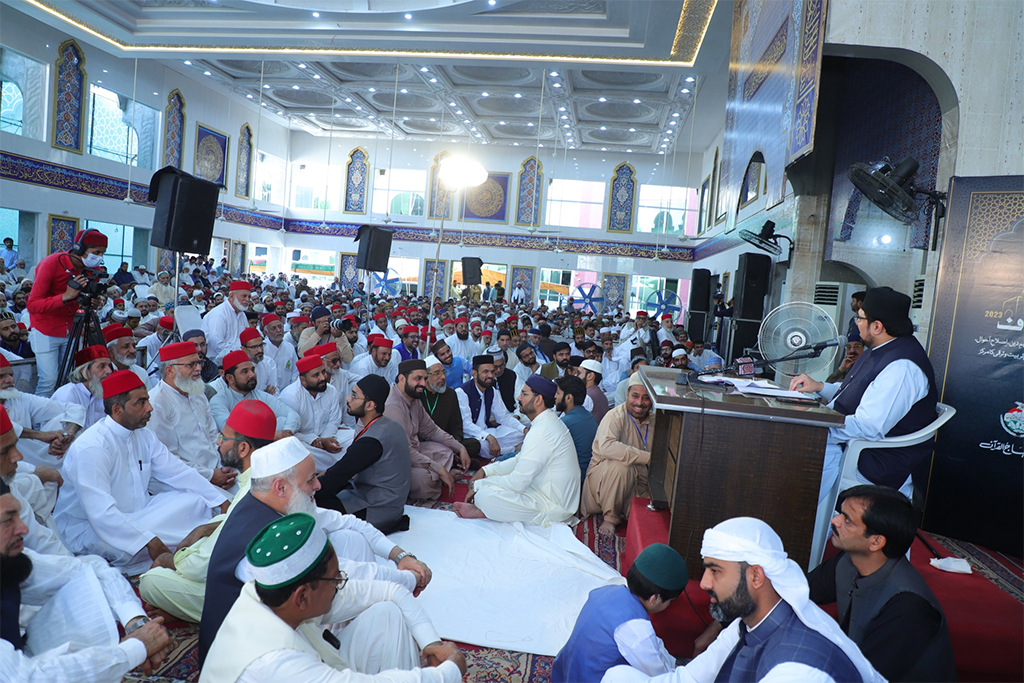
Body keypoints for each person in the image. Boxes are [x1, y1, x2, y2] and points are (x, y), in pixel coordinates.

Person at [200, 436, 429, 660]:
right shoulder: (266, 544)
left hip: (292, 626)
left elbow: (350, 522)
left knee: (352, 539)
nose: (319, 485)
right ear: (281, 487)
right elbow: (340, 579)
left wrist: (400, 556)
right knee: (387, 613)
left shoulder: (274, 503)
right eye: (311, 479)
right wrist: (409, 578)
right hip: (258, 659)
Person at [604, 517, 883, 683]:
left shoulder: (796, 669)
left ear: (756, 576)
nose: (704, 583)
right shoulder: (750, 622)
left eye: (715, 571)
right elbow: (689, 678)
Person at [200, 512, 466, 683]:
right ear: (302, 597)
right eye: (334, 578)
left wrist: (431, 644)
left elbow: (392, 591)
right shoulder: (276, 663)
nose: (341, 583)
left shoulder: (265, 593)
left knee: (386, 613)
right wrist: (449, 670)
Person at [790, 287, 938, 557]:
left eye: (860, 317)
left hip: (875, 458)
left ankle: (800, 549)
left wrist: (817, 427)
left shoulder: (902, 367)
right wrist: (819, 387)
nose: (856, 323)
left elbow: (869, 426)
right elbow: (856, 395)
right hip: (851, 442)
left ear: (877, 325)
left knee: (802, 460)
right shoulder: (880, 348)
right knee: (796, 451)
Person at [53, 370, 231, 575]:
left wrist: (220, 501)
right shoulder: (93, 447)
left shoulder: (144, 435)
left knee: (196, 500)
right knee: (142, 540)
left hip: (142, 513)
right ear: (118, 409)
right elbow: (101, 514)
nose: (150, 408)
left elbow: (178, 472)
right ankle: (180, 548)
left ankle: (182, 544)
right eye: (141, 402)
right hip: (92, 529)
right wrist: (148, 540)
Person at [0, 480, 174, 682]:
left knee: (86, 587)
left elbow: (92, 569)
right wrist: (136, 647)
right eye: (7, 520)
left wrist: (135, 623)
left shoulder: (9, 559)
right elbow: (27, 678)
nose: (23, 529)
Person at [139, 400, 276, 623]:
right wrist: (205, 528)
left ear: (243, 449)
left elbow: (200, 567)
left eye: (224, 438)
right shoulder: (267, 477)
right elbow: (235, 522)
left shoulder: (251, 493)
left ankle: (189, 615)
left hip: (245, 594)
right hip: (257, 573)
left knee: (151, 581)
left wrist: (171, 559)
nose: (218, 442)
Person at [809, 485, 955, 681]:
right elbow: (801, 590)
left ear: (876, 542)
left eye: (847, 520)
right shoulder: (849, 561)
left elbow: (868, 675)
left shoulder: (908, 606)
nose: (835, 521)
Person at [455, 375, 579, 525]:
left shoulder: (542, 431)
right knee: (489, 482)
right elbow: (520, 459)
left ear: (538, 400)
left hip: (553, 506)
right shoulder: (545, 423)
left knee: (485, 496)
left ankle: (484, 511)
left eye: (524, 394)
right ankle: (487, 510)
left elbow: (518, 483)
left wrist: (480, 485)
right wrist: (487, 471)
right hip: (544, 491)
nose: (519, 398)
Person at [553, 543, 686, 683]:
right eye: (670, 601)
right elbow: (659, 674)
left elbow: (653, 644)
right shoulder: (636, 627)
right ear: (655, 599)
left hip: (564, 675)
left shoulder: (608, 590)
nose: (669, 605)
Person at [316, 374, 413, 534]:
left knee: (314, 499)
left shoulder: (373, 440)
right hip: (387, 500)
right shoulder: (389, 424)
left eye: (354, 395)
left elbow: (337, 476)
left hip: (379, 508)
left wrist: (305, 490)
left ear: (370, 405)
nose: (348, 398)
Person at [26, 228, 107, 396]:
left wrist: (93, 301)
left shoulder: (93, 269)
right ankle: (43, 422)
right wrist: (65, 296)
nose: (99, 257)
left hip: (73, 328)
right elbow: (32, 305)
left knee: (71, 378)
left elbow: (87, 297)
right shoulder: (52, 264)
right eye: (96, 252)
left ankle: (66, 416)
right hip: (46, 329)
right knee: (49, 381)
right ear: (79, 249)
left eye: (102, 253)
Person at [148, 341, 236, 489]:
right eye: (191, 365)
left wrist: (225, 466)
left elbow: (213, 435)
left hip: (217, 469)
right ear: (169, 371)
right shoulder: (157, 403)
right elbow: (167, 459)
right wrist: (209, 475)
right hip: (184, 481)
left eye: (199, 363)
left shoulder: (197, 391)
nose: (199, 368)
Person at [582, 374, 656, 537]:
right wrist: (648, 457)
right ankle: (610, 517)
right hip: (604, 481)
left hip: (638, 482)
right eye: (635, 396)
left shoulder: (656, 421)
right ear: (627, 394)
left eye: (646, 398)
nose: (639, 403)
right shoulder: (614, 416)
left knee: (650, 519)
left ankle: (624, 510)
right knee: (621, 467)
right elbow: (608, 448)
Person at [385, 359, 470, 501]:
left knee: (446, 451)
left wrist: (460, 448)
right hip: (395, 461)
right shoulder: (393, 406)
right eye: (418, 379)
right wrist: (439, 468)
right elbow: (405, 451)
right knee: (424, 480)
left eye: (424, 379)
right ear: (402, 378)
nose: (423, 384)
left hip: (415, 451)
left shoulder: (414, 398)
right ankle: (439, 477)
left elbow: (432, 430)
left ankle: (438, 476)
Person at [209, 350, 300, 438]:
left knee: (283, 421)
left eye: (252, 370)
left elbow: (292, 414)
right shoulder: (219, 400)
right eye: (245, 371)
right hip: (240, 451)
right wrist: (272, 436)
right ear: (230, 378)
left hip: (268, 447)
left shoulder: (261, 396)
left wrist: (287, 431)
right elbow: (231, 431)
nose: (252, 375)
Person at [278, 355, 344, 471]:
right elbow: (287, 433)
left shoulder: (331, 390)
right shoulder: (290, 396)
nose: (323, 378)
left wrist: (326, 439)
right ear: (303, 380)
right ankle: (339, 468)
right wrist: (313, 440)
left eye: (323, 372)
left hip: (327, 435)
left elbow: (334, 420)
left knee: (354, 439)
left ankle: (339, 467)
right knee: (299, 452)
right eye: (316, 375)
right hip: (304, 442)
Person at [456, 355, 526, 460]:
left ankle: (506, 449)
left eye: (492, 372)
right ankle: (514, 450)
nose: (490, 375)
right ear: (474, 374)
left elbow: (503, 417)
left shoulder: (492, 390)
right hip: (471, 436)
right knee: (481, 446)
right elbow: (466, 424)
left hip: (489, 431)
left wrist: (524, 429)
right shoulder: (462, 392)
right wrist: (488, 437)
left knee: (520, 434)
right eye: (485, 372)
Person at [419, 355, 481, 462]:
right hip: (425, 444)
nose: (443, 377)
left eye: (444, 372)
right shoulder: (418, 395)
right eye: (437, 373)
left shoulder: (450, 394)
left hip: (447, 442)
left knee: (474, 445)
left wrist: (455, 446)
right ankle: (453, 461)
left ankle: (450, 459)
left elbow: (456, 426)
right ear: (426, 377)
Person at [51, 345, 113, 431]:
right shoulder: (68, 394)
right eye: (102, 366)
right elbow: (61, 434)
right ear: (84, 371)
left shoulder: (100, 391)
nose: (109, 371)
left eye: (109, 365)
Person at [554, 375, 598, 479]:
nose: (555, 396)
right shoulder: (587, 415)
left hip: (576, 479)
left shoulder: (565, 423)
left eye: (558, 393)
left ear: (569, 398)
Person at [202, 280, 252, 364]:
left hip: (239, 359)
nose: (247, 299)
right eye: (244, 296)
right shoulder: (219, 313)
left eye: (249, 297)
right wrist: (240, 354)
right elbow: (217, 345)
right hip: (217, 361)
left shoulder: (242, 314)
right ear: (232, 296)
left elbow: (246, 339)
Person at [103, 323, 150, 388]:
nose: (133, 350)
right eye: (126, 346)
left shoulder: (141, 373)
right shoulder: (102, 375)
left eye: (134, 346)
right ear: (111, 351)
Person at [260, 313, 298, 389]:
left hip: (288, 391)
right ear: (266, 333)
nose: (278, 330)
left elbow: (295, 372)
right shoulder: (262, 349)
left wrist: (291, 389)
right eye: (274, 328)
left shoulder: (289, 347)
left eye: (280, 327)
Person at [240, 326, 279, 395]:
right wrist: (264, 395)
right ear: (244, 349)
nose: (260, 350)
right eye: (254, 347)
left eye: (261, 345)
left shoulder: (269, 363)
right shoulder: (238, 367)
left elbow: (274, 391)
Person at [580, 358, 610, 424]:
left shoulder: (587, 397)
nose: (576, 375)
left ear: (590, 376)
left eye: (579, 373)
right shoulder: (600, 394)